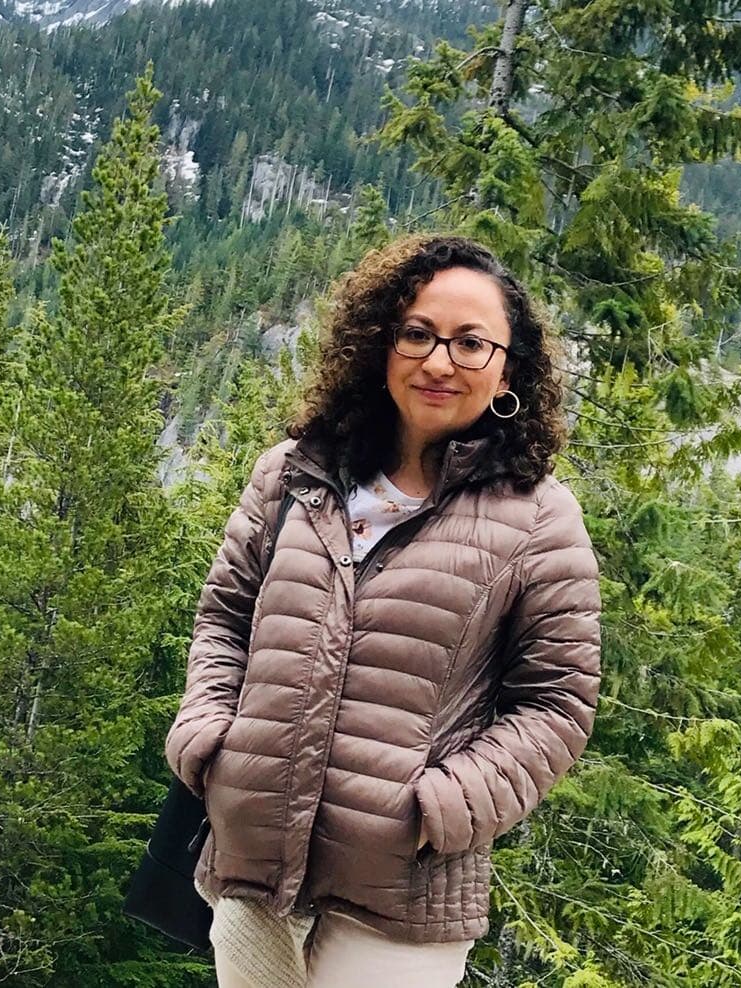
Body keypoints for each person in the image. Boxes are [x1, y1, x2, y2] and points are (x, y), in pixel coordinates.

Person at [165, 234, 602, 987]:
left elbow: (557, 703)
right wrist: (207, 737)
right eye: (418, 334)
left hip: (403, 890)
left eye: (471, 343)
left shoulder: (538, 517)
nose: (439, 363)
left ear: (509, 367)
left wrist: (445, 805)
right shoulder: (292, 472)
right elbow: (227, 618)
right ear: (380, 343)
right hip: (252, 857)